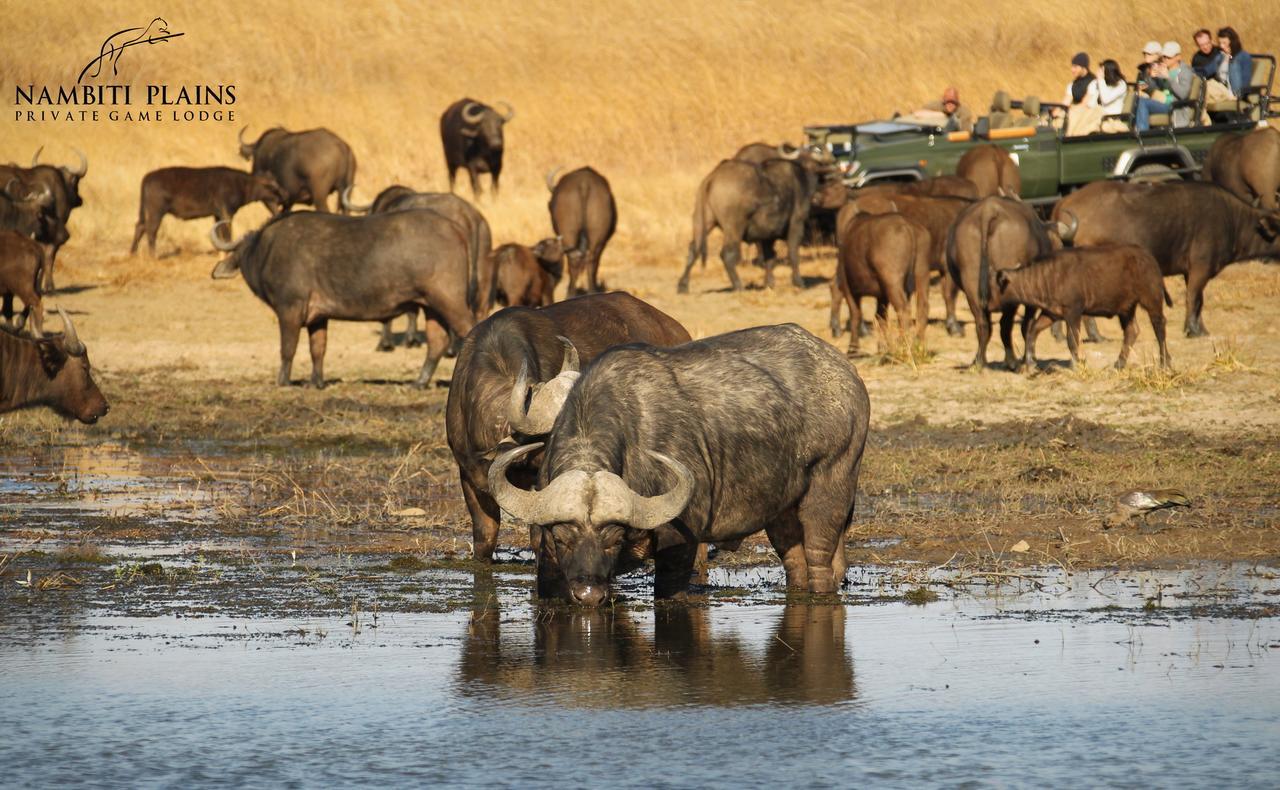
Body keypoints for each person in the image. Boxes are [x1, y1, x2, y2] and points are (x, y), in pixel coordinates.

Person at [1135, 43, 1193, 130]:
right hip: (1161, 102)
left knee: (1142, 102)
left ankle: (1143, 135)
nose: (1165, 59)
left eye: (1168, 57)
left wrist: (1168, 78)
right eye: (1164, 57)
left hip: (1175, 106)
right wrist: (1149, 77)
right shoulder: (1162, 70)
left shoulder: (1185, 72)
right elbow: (1152, 90)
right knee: (1137, 99)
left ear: (1178, 57)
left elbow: (1183, 94)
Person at [1203, 26, 1254, 102]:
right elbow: (1206, 70)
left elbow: (1245, 82)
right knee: (1203, 89)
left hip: (1232, 93)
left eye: (1224, 43)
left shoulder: (1243, 56)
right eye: (1220, 43)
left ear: (1232, 42)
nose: (1221, 46)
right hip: (1220, 89)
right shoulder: (1221, 56)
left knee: (1204, 92)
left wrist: (1239, 94)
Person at [1061, 52, 1100, 136]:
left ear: (1083, 67)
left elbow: (1084, 105)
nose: (1072, 70)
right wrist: (1054, 113)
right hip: (1075, 112)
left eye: (1075, 67)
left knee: (1070, 118)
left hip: (1087, 114)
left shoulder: (1094, 83)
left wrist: (1070, 110)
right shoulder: (1072, 84)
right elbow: (1065, 103)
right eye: (1072, 66)